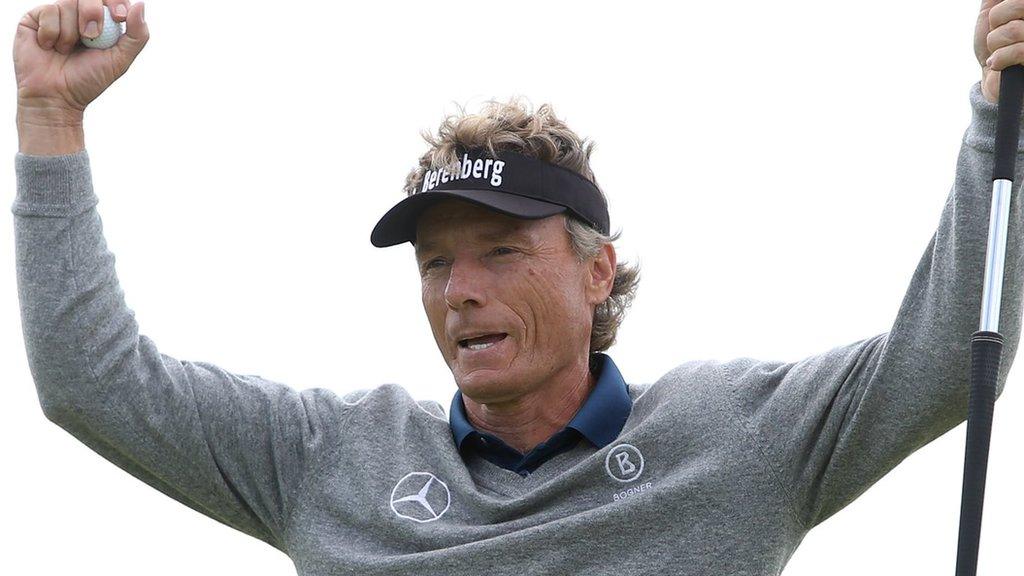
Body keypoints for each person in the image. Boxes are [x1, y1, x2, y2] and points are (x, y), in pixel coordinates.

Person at [10, 1, 1024, 574]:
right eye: (436, 262)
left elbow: (941, 366)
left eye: (498, 253)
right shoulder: (323, 457)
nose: (459, 290)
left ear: (597, 271)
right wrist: (49, 119)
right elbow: (92, 386)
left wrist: (997, 112)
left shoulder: (738, 434)